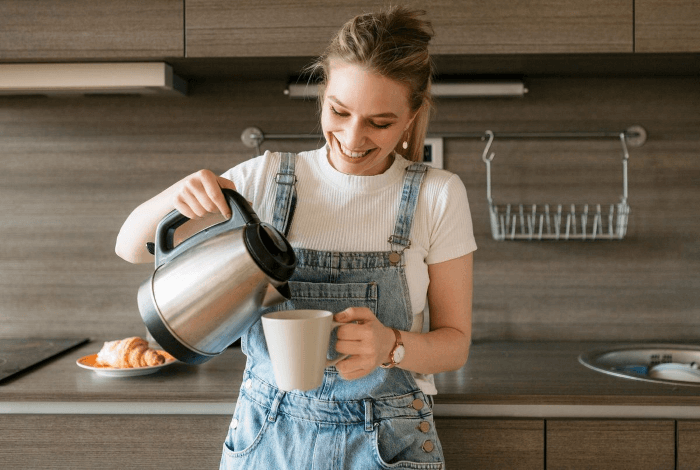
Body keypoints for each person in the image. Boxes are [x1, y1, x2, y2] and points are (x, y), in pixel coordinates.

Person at [115, 6, 475, 469]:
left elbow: (455, 343)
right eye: (339, 111)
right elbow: (129, 247)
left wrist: (392, 346)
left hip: (387, 442)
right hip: (267, 435)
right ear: (323, 94)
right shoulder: (265, 178)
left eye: (379, 123)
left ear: (411, 117)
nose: (351, 137)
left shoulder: (437, 194)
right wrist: (180, 192)